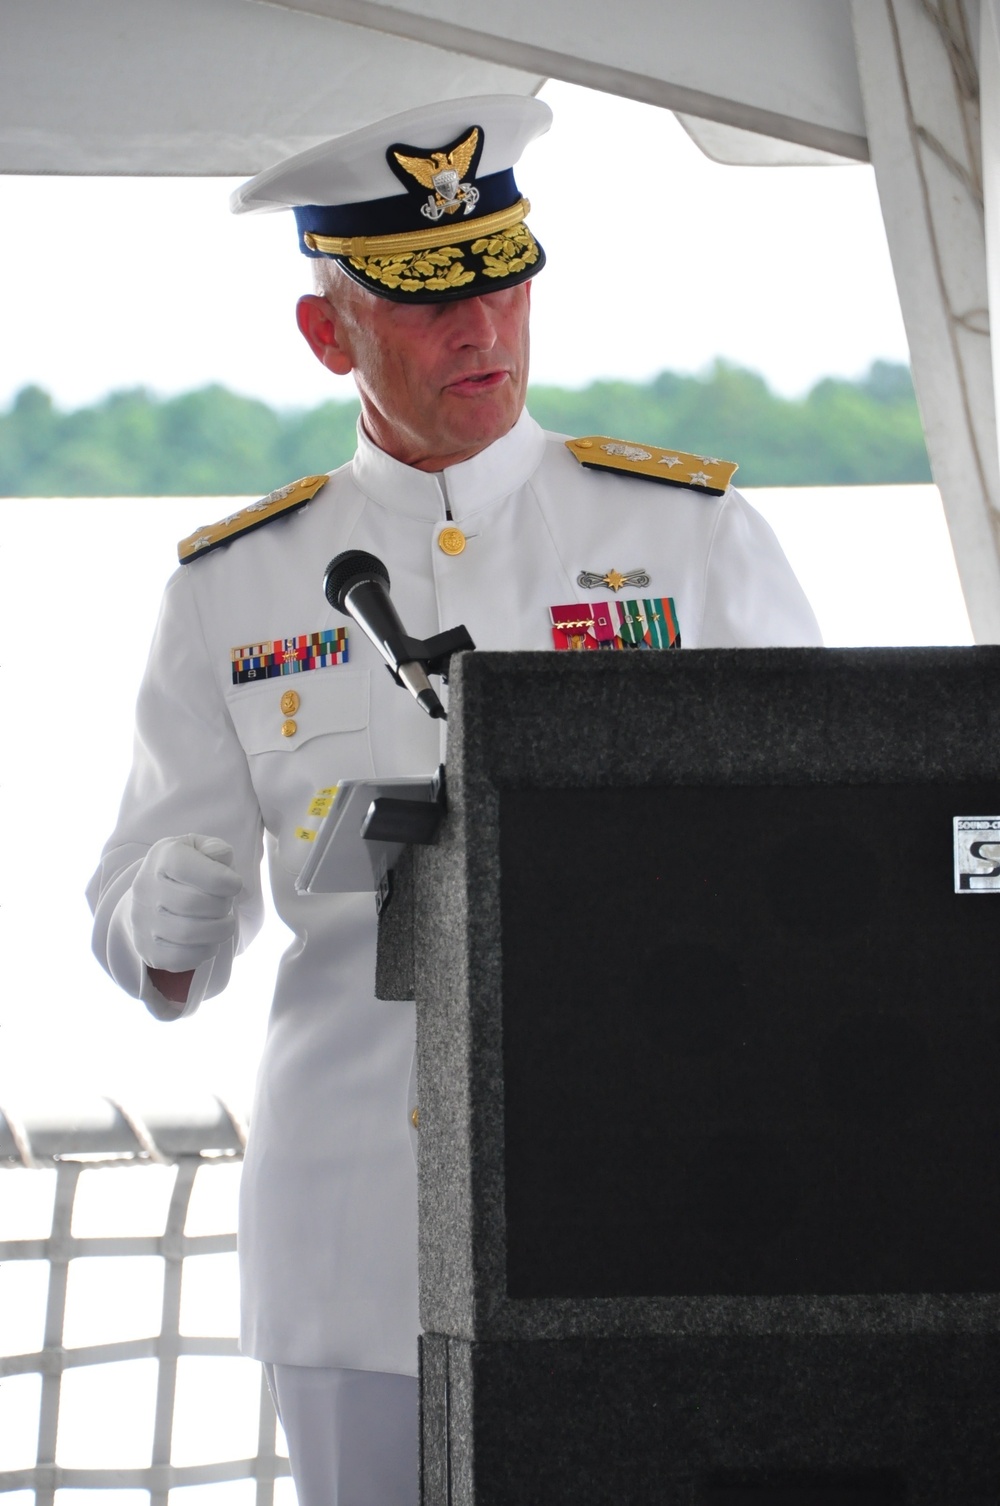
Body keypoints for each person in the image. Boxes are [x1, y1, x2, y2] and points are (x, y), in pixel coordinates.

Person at [88, 94, 822, 1505]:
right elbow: (143, 929)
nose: (481, 329)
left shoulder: (691, 539)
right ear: (329, 333)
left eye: (502, 280)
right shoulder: (231, 588)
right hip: (356, 1230)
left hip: (647, 1196)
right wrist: (162, 919)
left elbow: (819, 859)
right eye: (427, 302)